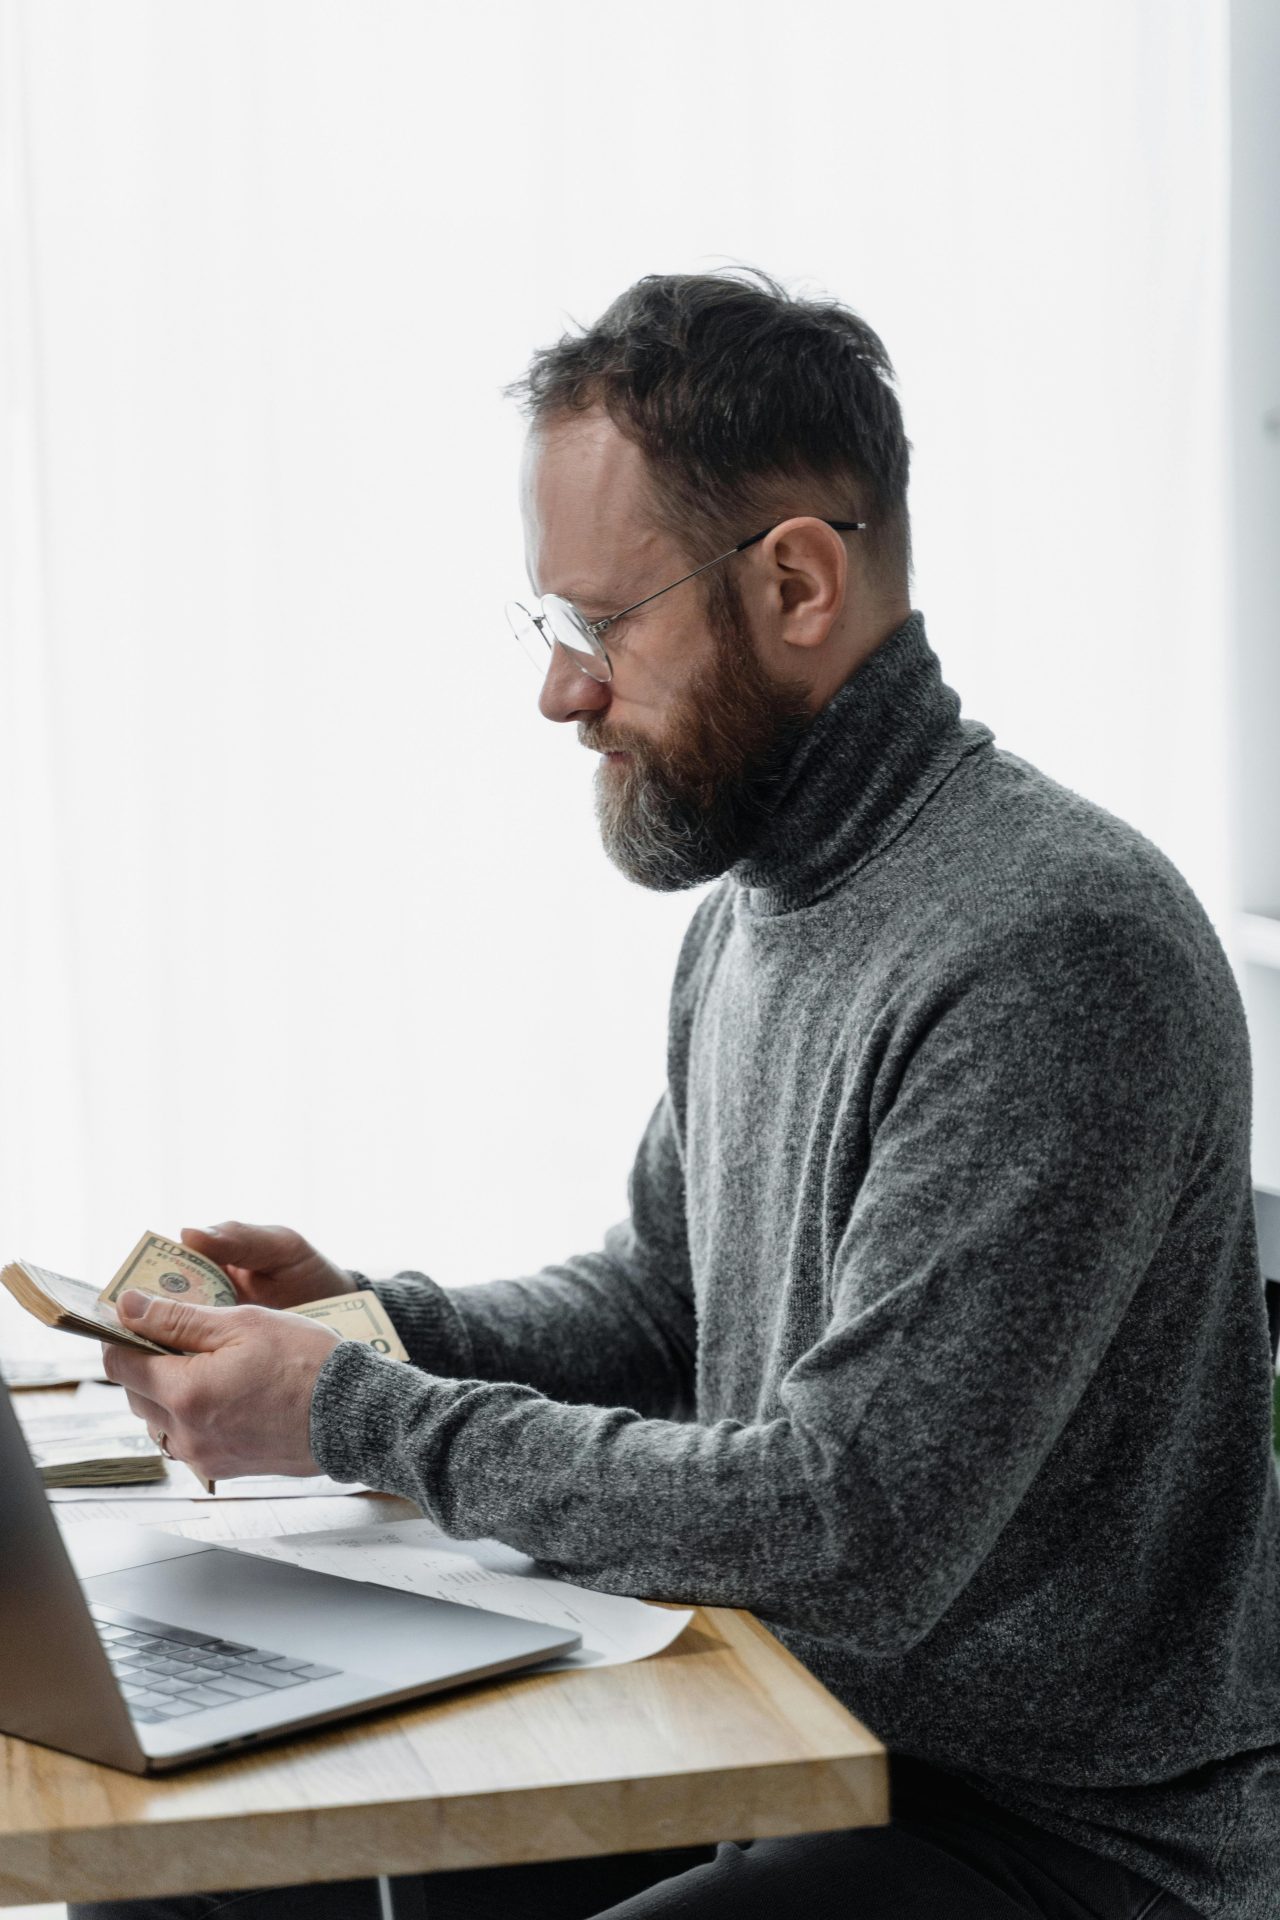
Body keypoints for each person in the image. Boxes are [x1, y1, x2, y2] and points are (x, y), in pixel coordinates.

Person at [76, 269, 1279, 1920]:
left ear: (795, 581)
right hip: (780, 1719)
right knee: (217, 1864)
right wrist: (374, 1325)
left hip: (1055, 1835)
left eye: (602, 622)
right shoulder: (758, 902)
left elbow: (853, 1519)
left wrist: (345, 1412)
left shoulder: (1054, 945)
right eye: (552, 625)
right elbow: (668, 1296)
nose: (563, 691)